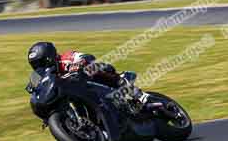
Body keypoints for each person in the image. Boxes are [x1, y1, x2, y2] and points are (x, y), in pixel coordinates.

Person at [26, 41, 157, 113]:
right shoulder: (43, 75)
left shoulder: (66, 58)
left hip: (92, 80)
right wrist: (33, 87)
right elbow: (37, 87)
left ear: (49, 57)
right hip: (80, 93)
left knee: (93, 67)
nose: (40, 67)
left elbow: (87, 57)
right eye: (36, 65)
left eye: (41, 63)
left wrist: (79, 64)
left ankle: (134, 91)